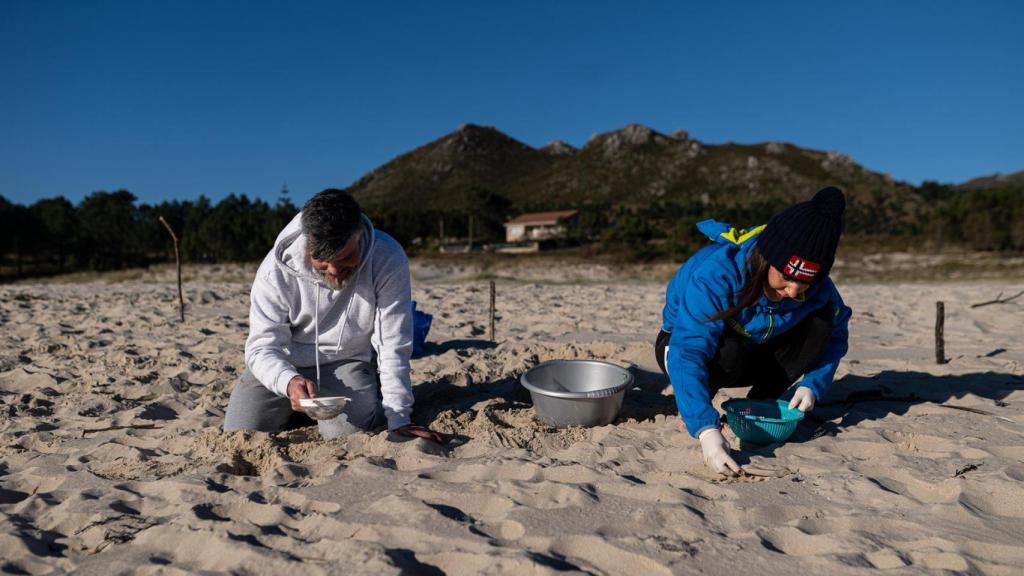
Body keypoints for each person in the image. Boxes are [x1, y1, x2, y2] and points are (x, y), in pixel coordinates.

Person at [224, 188, 448, 443]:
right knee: (239, 433)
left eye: (346, 257)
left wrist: (399, 419)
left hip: (347, 360)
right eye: (322, 260)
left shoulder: (387, 257)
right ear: (307, 244)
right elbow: (261, 348)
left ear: (359, 235)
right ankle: (295, 405)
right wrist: (288, 381)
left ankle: (369, 391)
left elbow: (393, 343)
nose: (333, 270)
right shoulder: (274, 271)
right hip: (286, 361)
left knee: (344, 435)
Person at [656, 187, 852, 476]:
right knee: (728, 353)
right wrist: (706, 430)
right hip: (680, 346)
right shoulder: (719, 272)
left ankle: (760, 402)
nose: (793, 290)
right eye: (786, 277)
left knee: (820, 325)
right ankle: (698, 400)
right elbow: (688, 350)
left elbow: (835, 332)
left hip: (753, 345)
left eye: (804, 282)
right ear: (768, 257)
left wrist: (813, 383)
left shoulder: (818, 288)